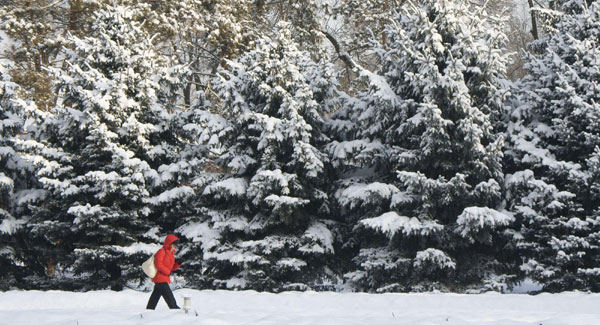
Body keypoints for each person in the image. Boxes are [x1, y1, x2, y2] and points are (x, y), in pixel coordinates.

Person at [146, 234, 182, 310]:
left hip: (164, 277)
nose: (175, 246)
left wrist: (178, 264)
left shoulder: (171, 254)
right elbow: (158, 264)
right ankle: (175, 310)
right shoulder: (161, 251)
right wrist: (167, 272)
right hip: (160, 278)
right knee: (169, 297)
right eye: (174, 244)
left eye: (176, 245)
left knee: (155, 297)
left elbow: (171, 268)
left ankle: (149, 310)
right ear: (169, 243)